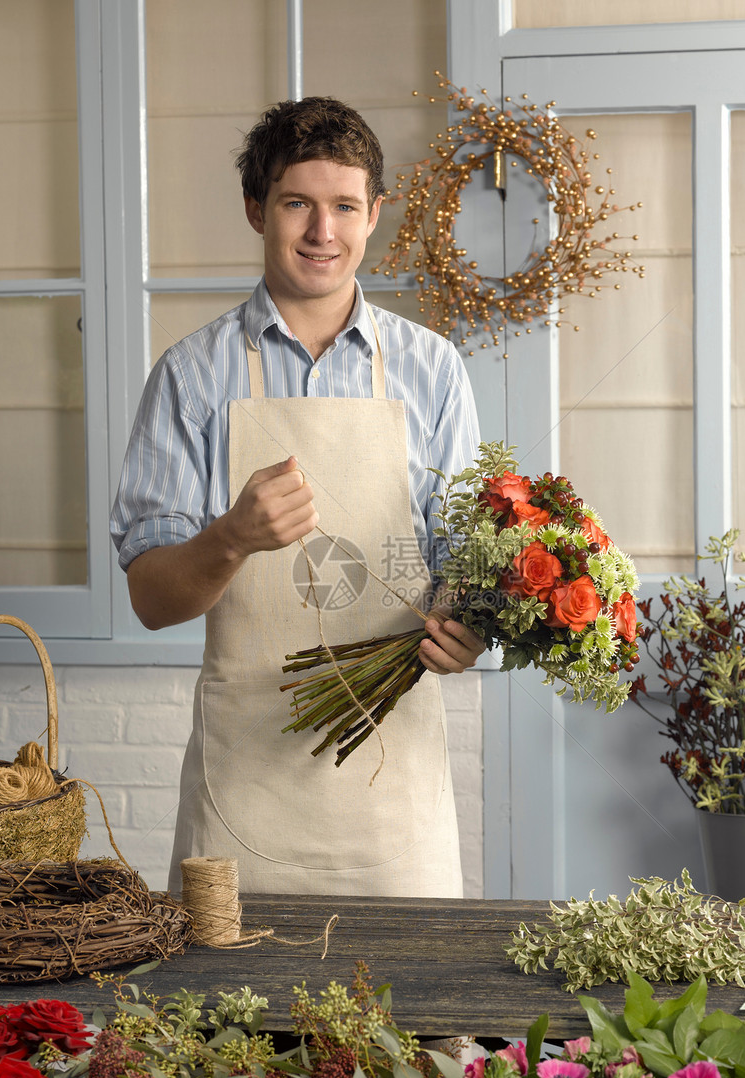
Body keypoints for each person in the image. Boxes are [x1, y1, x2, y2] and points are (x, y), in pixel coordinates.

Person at [110, 96, 484, 898]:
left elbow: (460, 562)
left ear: (374, 213)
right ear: (256, 209)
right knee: (224, 1023)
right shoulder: (190, 376)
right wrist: (232, 538)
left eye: (345, 205)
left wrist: (469, 630)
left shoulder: (434, 370)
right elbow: (150, 598)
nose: (323, 231)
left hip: (394, 789)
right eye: (297, 204)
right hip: (244, 787)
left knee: (413, 1020)